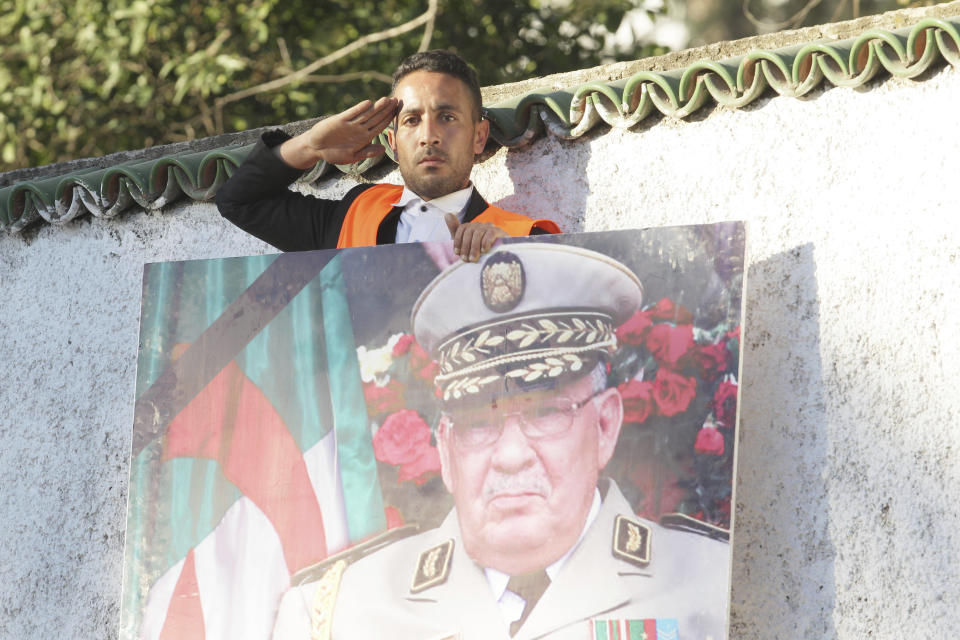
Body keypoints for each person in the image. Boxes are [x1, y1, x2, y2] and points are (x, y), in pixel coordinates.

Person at [271, 243, 731, 640]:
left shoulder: (712, 582)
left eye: (547, 412)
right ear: (446, 450)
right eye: (478, 422)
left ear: (606, 426)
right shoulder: (337, 612)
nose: (511, 456)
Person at [216, 50, 559, 261]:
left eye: (448, 117)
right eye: (412, 120)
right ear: (393, 143)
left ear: (479, 136)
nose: (429, 136)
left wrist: (516, 259)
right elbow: (240, 202)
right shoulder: (350, 217)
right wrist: (310, 147)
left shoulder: (523, 238)